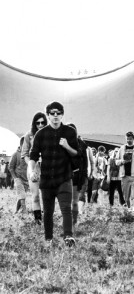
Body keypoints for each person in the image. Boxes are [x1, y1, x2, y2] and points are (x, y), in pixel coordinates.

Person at [27, 101, 79, 245]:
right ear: (48, 115)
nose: (55, 115)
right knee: (48, 212)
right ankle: (48, 239)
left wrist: (67, 146)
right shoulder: (41, 134)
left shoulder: (70, 132)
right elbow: (33, 156)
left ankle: (68, 237)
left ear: (62, 115)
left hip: (64, 177)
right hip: (47, 180)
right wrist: (32, 171)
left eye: (58, 113)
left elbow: (76, 154)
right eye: (52, 113)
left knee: (66, 209)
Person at [22, 112, 47, 223]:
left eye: (42, 122)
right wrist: (31, 167)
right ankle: (38, 220)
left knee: (46, 195)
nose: (40, 125)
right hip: (34, 167)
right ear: (34, 123)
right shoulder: (29, 135)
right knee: (35, 195)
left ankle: (47, 218)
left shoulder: (49, 134)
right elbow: (25, 154)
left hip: (47, 167)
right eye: (38, 123)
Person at [115, 131, 134, 208]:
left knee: (133, 195)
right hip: (124, 175)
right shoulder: (121, 148)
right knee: (126, 196)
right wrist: (122, 161)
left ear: (133, 139)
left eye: (130, 139)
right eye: (127, 139)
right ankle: (128, 210)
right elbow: (116, 161)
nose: (129, 140)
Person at [9, 137, 28, 214]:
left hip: (26, 179)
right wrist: (15, 178)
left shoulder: (28, 155)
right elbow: (11, 167)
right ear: (21, 144)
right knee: (22, 194)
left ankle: (16, 211)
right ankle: (24, 210)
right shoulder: (15, 154)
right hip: (18, 178)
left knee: (21, 195)